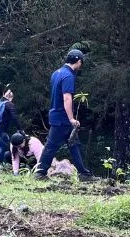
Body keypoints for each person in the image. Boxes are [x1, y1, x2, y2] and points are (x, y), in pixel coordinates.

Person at [34, 49, 94, 180]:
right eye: (81, 63)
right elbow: (67, 98)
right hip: (62, 118)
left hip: (56, 115)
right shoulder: (68, 76)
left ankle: (84, 173)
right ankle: (40, 172)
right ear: (78, 62)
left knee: (74, 145)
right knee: (51, 146)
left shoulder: (57, 73)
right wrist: (71, 118)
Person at [0, 88, 20, 164]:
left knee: (4, 139)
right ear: (11, 97)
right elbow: (15, 118)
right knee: (3, 146)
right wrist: (20, 129)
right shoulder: (9, 104)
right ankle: (0, 164)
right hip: (0, 129)